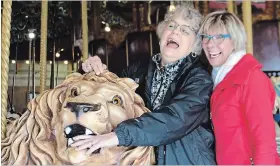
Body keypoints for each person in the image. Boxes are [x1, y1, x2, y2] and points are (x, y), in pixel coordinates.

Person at [72, 5, 216, 165]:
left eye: (185, 30)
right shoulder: (138, 70)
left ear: (195, 45)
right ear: (161, 36)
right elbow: (111, 93)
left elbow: (175, 119)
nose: (175, 31)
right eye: (171, 26)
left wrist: (118, 136)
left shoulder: (199, 80)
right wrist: (94, 72)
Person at [198, 10, 279, 164]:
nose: (209, 44)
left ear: (235, 41)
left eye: (219, 37)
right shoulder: (219, 78)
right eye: (206, 37)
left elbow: (265, 142)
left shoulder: (251, 79)